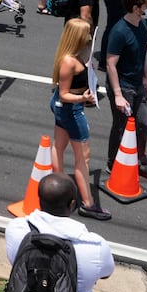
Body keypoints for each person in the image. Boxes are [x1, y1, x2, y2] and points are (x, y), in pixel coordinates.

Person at [48, 19, 108, 220]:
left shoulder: (72, 57)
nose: (90, 38)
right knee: (83, 157)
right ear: (77, 38)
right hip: (71, 109)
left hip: (64, 108)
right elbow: (65, 94)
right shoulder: (69, 61)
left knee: (59, 147)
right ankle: (88, 203)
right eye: (87, 35)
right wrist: (83, 97)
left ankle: (59, 192)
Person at [103, 0, 147, 178]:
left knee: (143, 124)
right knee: (121, 126)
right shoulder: (119, 31)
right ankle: (114, 161)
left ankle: (139, 158)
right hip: (123, 87)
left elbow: (141, 54)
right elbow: (110, 64)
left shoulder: (141, 25)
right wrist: (117, 95)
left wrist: (146, 76)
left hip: (138, 84)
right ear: (136, 8)